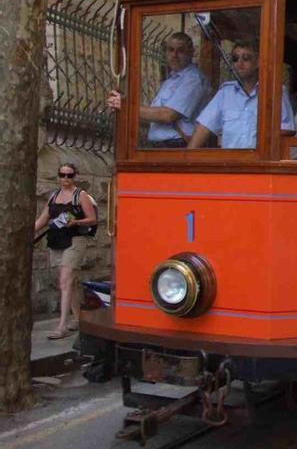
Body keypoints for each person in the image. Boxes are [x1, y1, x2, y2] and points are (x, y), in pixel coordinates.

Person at [106, 32, 210, 148]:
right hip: (161, 147)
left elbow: (168, 115)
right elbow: (154, 118)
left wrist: (127, 107)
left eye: (180, 51)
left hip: (175, 146)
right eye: (170, 50)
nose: (174, 55)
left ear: (191, 53)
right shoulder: (172, 79)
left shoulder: (193, 79)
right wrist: (123, 106)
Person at [189, 39, 294, 148]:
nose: (239, 63)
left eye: (246, 58)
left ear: (258, 61)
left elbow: (286, 130)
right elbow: (204, 127)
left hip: (260, 162)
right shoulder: (226, 93)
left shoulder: (275, 91)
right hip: (231, 161)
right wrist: (188, 157)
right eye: (235, 59)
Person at [33, 163, 97, 340]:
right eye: (63, 175)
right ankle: (78, 319)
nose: (66, 179)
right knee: (70, 283)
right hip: (56, 241)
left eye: (70, 175)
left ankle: (62, 325)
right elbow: (43, 220)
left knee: (65, 281)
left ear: (75, 176)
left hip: (75, 240)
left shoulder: (80, 196)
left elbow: (92, 219)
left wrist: (76, 222)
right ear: (58, 176)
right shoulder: (54, 196)